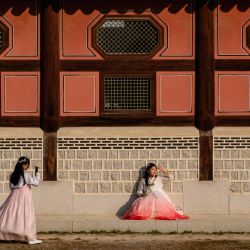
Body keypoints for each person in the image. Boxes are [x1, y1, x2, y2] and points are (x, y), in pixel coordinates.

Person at [122, 162, 189, 220]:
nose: (155, 171)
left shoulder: (159, 178)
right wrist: (142, 194)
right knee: (140, 211)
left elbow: (171, 178)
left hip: (159, 197)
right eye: (152, 169)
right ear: (148, 171)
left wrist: (163, 170)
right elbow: (138, 192)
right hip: (147, 198)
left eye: (156, 170)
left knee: (166, 211)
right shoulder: (143, 180)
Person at [0, 156, 42, 245]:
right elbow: (36, 183)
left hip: (13, 196)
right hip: (24, 197)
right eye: (27, 165)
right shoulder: (25, 175)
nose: (28, 167)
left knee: (12, 216)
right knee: (26, 216)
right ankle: (30, 237)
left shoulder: (12, 175)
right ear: (25, 165)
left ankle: (10, 235)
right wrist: (37, 174)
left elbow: (11, 186)